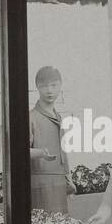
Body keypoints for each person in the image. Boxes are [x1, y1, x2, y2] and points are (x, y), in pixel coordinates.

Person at [28, 65, 75, 214]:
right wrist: (41, 153)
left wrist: (69, 178)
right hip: (40, 186)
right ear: (37, 87)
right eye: (44, 86)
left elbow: (63, 152)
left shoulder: (58, 117)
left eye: (54, 85)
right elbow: (18, 152)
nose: (49, 90)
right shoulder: (30, 117)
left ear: (60, 86)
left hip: (60, 184)